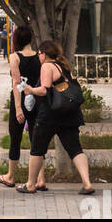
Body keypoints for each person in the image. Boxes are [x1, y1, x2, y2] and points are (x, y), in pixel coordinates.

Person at [17, 39, 95, 195]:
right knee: (75, 149)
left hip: (50, 114)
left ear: (44, 54)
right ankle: (87, 184)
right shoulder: (64, 66)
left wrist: (30, 89)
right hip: (69, 114)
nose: (39, 56)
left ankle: (31, 184)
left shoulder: (47, 66)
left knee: (37, 149)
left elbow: (45, 90)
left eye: (39, 53)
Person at [0, 25, 47, 190]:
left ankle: (10, 176)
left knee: (15, 138)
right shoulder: (40, 57)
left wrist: (18, 108)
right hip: (37, 100)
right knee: (36, 139)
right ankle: (40, 179)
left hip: (21, 101)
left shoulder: (15, 57)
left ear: (16, 40)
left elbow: (16, 83)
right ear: (31, 39)